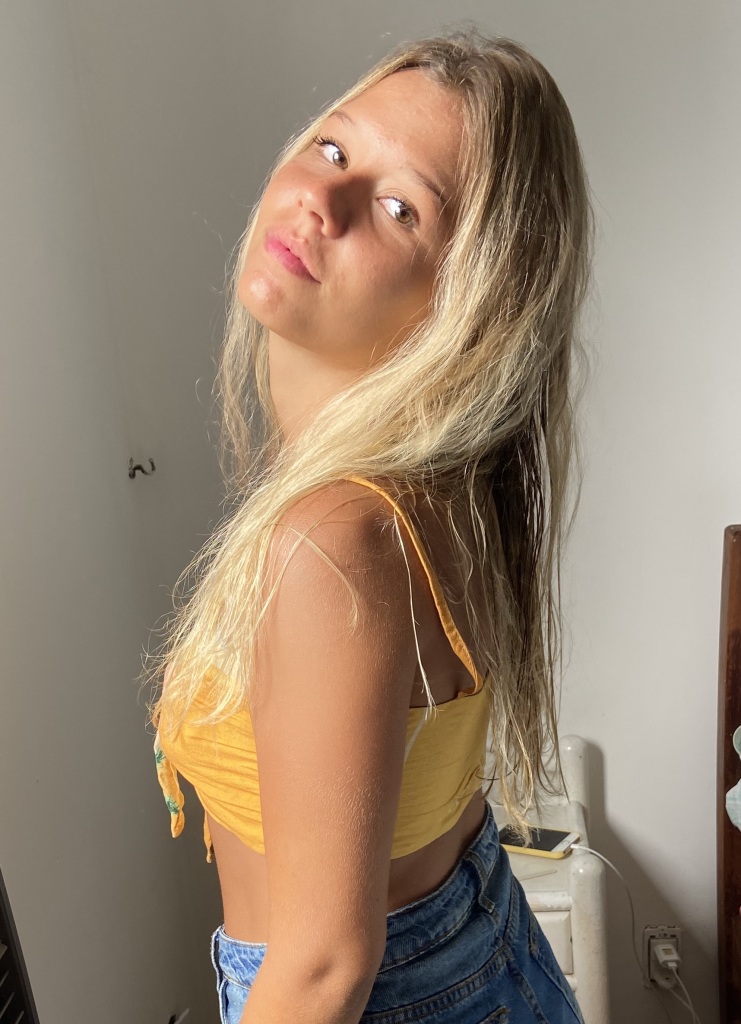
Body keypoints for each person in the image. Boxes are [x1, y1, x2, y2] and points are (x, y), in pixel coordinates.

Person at [147, 24, 593, 1024]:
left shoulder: (334, 538)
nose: (323, 197)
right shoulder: (429, 487)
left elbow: (322, 970)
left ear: (466, 310)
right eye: (333, 146)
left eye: (399, 209)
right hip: (474, 955)